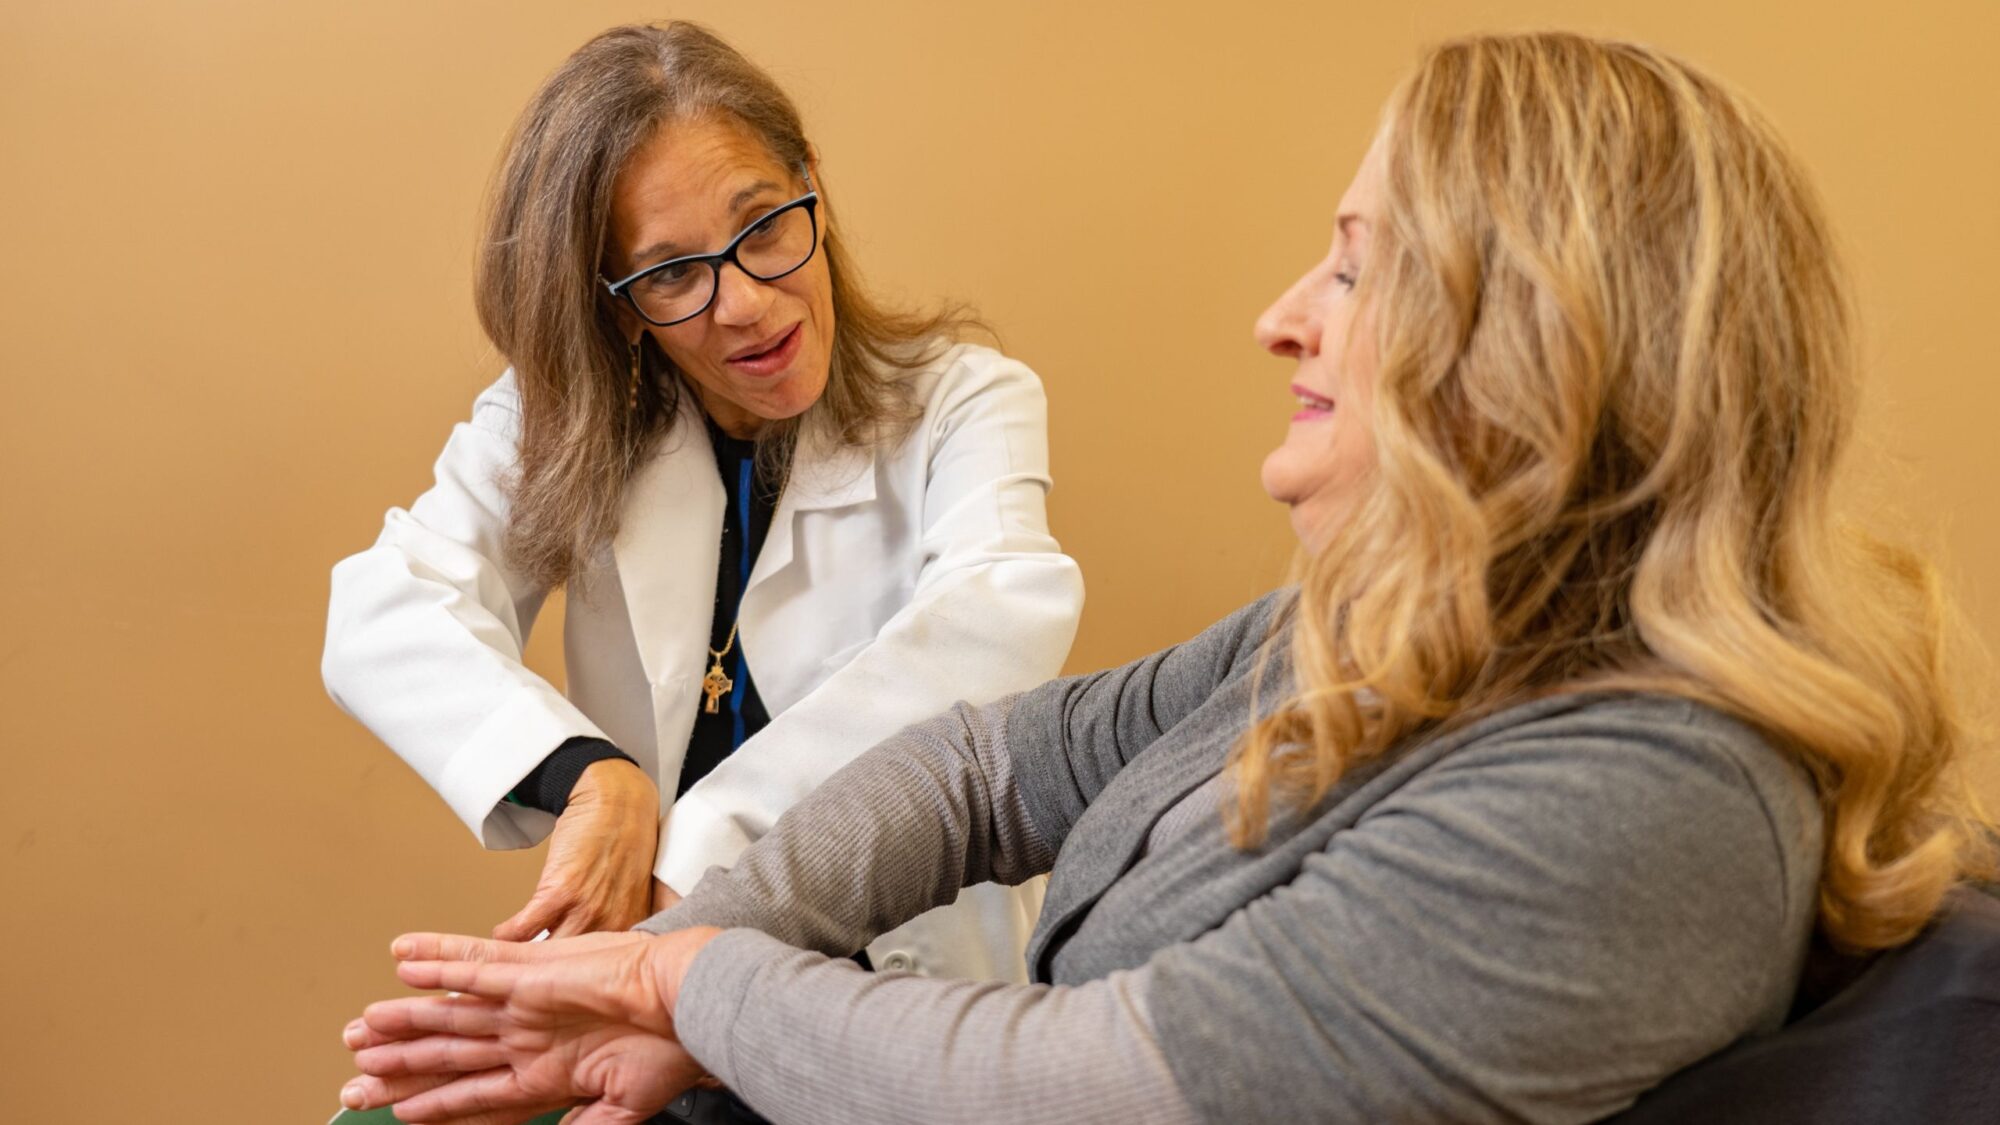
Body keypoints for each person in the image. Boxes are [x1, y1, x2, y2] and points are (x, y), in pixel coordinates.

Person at [338, 32, 1994, 1124]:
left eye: (1357, 264)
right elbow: (998, 765)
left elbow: (1090, 1075)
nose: (1284, 314)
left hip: (906, 1024)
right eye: (675, 272)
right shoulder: (1394, 632)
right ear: (618, 304)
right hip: (800, 998)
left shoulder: (1638, 797)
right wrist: (631, 869)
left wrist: (686, 964)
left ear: (1546, 349)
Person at [321, 20, 1081, 984]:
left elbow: (994, 626)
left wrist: (691, 852)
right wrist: (591, 777)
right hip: (651, 980)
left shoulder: (966, 400)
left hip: (899, 987)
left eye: (764, 225)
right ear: (617, 302)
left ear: (813, 176)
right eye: (673, 271)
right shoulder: (557, 419)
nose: (747, 303)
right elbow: (383, 609)